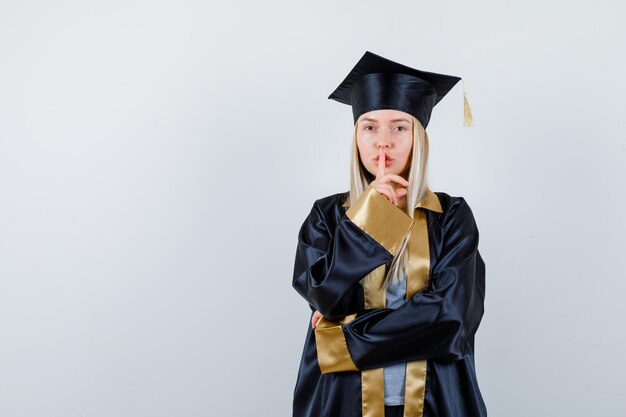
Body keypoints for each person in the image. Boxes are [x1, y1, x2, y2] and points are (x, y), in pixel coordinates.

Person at [291, 51, 487, 417]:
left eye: (399, 126)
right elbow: (322, 293)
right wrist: (370, 217)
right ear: (356, 137)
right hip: (343, 403)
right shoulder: (327, 216)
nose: (384, 142)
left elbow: (451, 319)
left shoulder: (451, 217)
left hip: (436, 403)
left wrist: (340, 339)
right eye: (370, 127)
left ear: (419, 137)